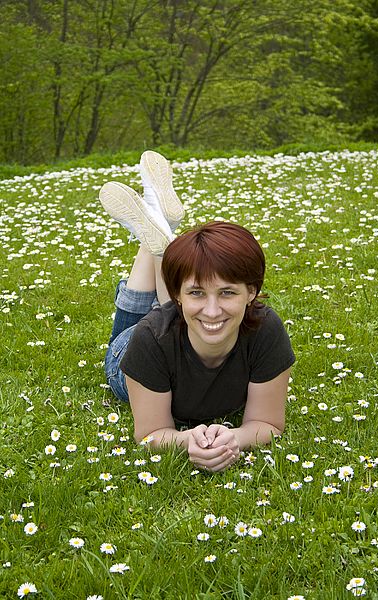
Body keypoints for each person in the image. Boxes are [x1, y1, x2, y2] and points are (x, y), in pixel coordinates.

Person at [99, 150, 295, 473]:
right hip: (131, 350)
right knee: (154, 321)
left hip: (173, 323)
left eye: (228, 292)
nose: (214, 310)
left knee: (180, 309)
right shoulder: (150, 339)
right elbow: (150, 433)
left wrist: (235, 438)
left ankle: (160, 234)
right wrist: (187, 440)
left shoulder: (265, 329)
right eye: (198, 293)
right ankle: (157, 240)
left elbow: (267, 422)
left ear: (252, 293)